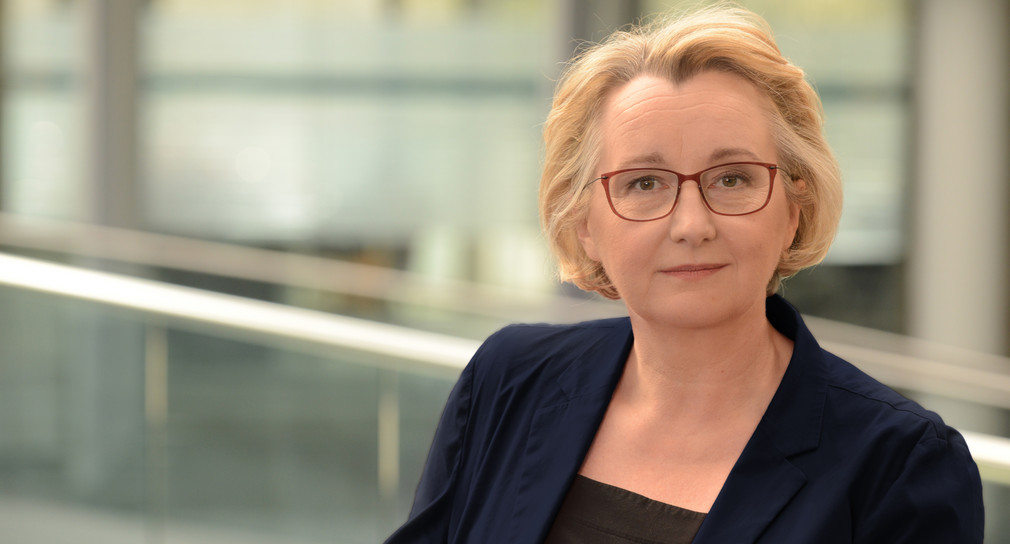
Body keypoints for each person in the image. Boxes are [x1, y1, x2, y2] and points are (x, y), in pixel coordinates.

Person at [386, 5, 984, 543]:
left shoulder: (901, 465)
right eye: (645, 183)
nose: (692, 225)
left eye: (732, 178)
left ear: (793, 208)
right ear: (584, 222)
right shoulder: (508, 379)